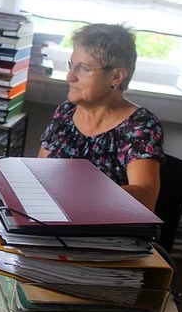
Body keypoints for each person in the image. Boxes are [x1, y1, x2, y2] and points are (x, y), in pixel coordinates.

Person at [38, 23, 164, 211]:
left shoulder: (140, 125)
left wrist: (78, 194)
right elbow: (37, 173)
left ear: (116, 76)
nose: (70, 77)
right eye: (71, 65)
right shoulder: (65, 112)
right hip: (52, 218)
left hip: (103, 231)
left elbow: (145, 197)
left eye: (84, 69)